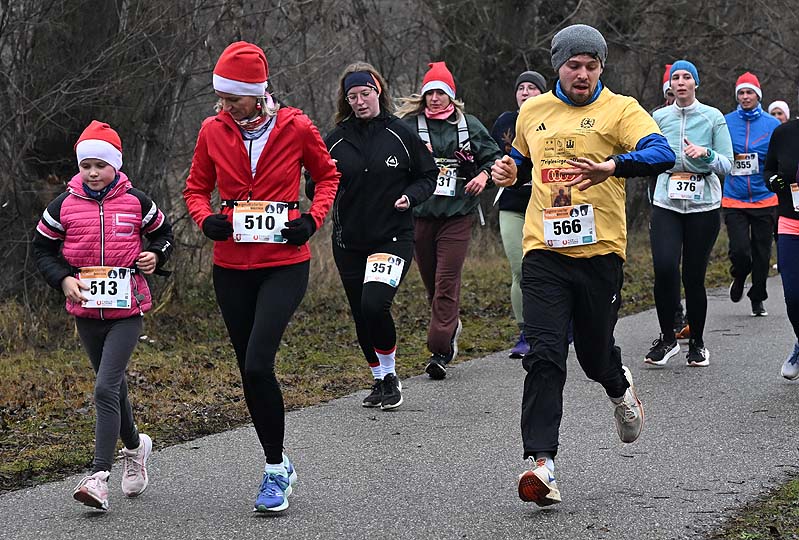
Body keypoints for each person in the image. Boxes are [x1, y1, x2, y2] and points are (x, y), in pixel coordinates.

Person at [491, 24, 675, 507]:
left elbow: (661, 152)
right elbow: (518, 159)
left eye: (592, 66)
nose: (583, 74)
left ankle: (620, 389)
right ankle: (541, 465)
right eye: (574, 65)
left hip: (600, 253)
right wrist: (509, 169)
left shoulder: (620, 109)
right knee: (545, 354)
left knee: (594, 355)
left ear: (601, 68)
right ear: (558, 66)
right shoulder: (533, 110)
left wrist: (612, 166)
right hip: (544, 251)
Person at [183, 41, 339, 512]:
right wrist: (204, 218)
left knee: (256, 362)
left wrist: (311, 220)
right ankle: (281, 461)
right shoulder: (212, 131)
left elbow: (328, 176)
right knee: (251, 372)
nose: (224, 105)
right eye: (221, 98)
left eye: (233, 98)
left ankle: (274, 470)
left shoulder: (296, 126)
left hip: (283, 265)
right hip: (231, 267)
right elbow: (195, 187)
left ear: (258, 93)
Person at [33, 121, 174, 510]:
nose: (93, 173)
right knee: (112, 387)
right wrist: (63, 280)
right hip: (86, 312)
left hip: (127, 311)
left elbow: (165, 234)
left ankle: (98, 477)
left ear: (116, 165)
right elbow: (42, 251)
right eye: (86, 166)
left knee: (103, 389)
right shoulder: (62, 206)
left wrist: (156, 254)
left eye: (100, 165)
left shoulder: (137, 201)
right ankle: (135, 447)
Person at [309, 62, 436, 409]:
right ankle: (378, 379)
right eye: (352, 96)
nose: (360, 101)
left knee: (374, 303)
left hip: (392, 235)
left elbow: (429, 175)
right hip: (349, 240)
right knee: (360, 311)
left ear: (377, 90)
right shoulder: (334, 139)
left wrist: (410, 197)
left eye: (365, 93)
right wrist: (326, 181)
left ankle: (391, 374)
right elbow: (314, 184)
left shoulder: (401, 133)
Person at [396, 61, 502, 380]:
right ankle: (449, 325)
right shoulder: (410, 126)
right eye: (430, 92)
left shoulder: (468, 125)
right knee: (433, 283)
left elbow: (494, 158)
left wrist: (484, 176)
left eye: (441, 92)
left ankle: (439, 349)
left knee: (445, 281)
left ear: (452, 96)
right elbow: (393, 160)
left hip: (457, 215)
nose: (435, 98)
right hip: (421, 215)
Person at [644, 60, 733, 368]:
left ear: (696, 83)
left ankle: (697, 342)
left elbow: (727, 163)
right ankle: (668, 339)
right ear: (670, 85)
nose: (681, 82)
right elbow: (650, 155)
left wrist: (705, 154)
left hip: (703, 205)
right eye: (675, 78)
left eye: (687, 77)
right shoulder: (659, 117)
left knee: (693, 277)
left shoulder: (712, 117)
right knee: (665, 268)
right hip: (667, 201)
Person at [490, 70, 547, 358]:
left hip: (548, 205)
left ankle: (558, 323)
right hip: (512, 205)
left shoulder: (553, 119)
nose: (525, 92)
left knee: (551, 269)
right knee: (520, 268)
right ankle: (526, 331)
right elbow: (490, 155)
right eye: (521, 88)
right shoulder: (505, 122)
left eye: (532, 88)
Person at [723, 72, 780, 316]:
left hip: (764, 196)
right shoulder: (725, 121)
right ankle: (738, 275)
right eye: (741, 93)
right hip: (734, 196)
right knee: (740, 251)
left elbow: (779, 158)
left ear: (758, 95)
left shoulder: (772, 125)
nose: (745, 97)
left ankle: (758, 296)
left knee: (762, 252)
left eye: (750, 92)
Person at [763, 117, 799, 378]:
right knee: (794, 296)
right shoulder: (784, 133)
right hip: (790, 223)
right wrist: (773, 180)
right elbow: (768, 170)